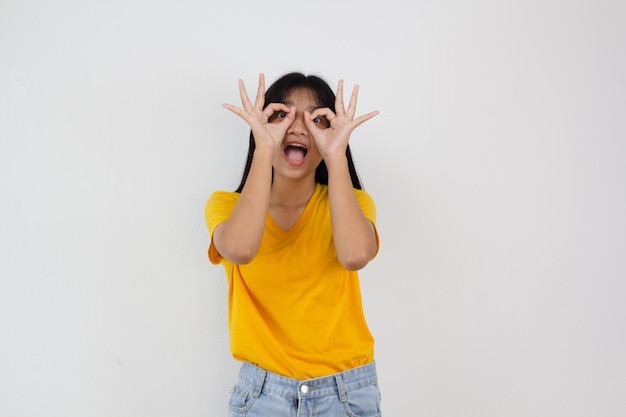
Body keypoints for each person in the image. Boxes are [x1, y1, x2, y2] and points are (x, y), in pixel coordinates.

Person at [204, 71, 382, 416]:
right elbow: (240, 249)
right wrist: (265, 146)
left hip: (346, 393)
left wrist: (335, 154)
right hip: (261, 395)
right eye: (282, 115)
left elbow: (355, 256)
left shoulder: (354, 204)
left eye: (316, 118)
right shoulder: (225, 206)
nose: (298, 127)